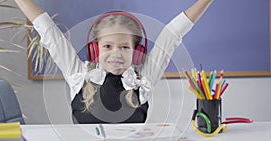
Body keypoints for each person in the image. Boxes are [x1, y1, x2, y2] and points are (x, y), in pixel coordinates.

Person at [14, 0, 214, 124]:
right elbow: (48, 31)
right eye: (107, 46)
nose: (116, 53)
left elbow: (172, 35)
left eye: (124, 47)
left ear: (136, 53)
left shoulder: (142, 79)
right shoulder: (79, 75)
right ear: (95, 49)